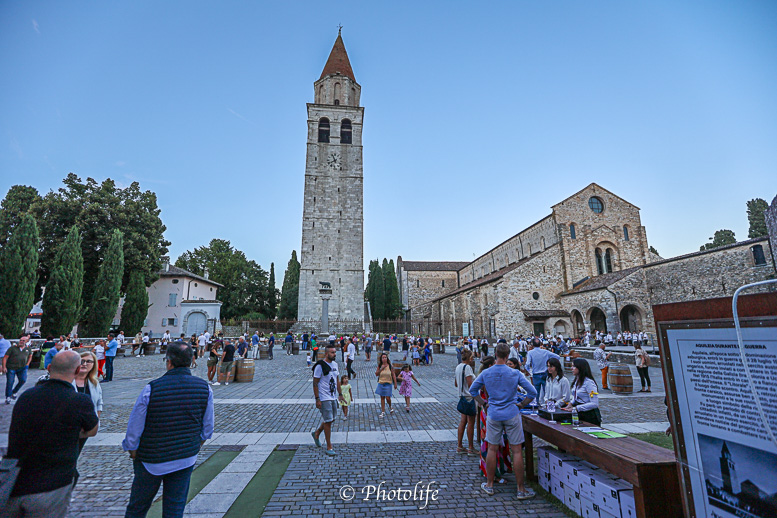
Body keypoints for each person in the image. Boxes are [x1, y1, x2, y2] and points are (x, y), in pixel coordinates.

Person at [123, 342, 214, 518]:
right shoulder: (205, 388)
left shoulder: (152, 388)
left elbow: (135, 426)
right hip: (185, 458)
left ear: (168, 362)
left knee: (138, 507)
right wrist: (195, 444)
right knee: (174, 508)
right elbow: (208, 427)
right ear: (191, 360)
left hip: (151, 458)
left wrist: (132, 449)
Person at [5, 351, 98, 517]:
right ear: (77, 371)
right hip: (53, 484)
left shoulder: (27, 396)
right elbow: (92, 430)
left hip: (16, 481)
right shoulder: (79, 401)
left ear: (48, 367)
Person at [470, 343, 537, 499]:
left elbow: (473, 390)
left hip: (493, 413)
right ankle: (521, 489)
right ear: (507, 356)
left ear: (495, 354)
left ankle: (490, 485)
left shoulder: (487, 373)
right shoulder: (515, 373)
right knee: (517, 451)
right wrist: (521, 404)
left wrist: (484, 403)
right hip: (512, 412)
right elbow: (532, 392)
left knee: (492, 449)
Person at [476, 356, 512, 485]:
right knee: (492, 443)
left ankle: (487, 469)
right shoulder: (488, 378)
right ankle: (494, 474)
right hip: (490, 412)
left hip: (485, 412)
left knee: (488, 442)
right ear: (491, 365)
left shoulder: (483, 375)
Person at [311, 344, 343, 456]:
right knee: (328, 421)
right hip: (324, 397)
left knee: (331, 419)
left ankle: (317, 432)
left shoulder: (335, 364)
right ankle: (329, 446)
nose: (334, 354)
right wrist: (317, 399)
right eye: (332, 352)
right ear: (326, 353)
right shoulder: (320, 366)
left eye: (335, 352)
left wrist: (340, 394)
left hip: (333, 396)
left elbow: (337, 380)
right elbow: (315, 383)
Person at [75, 351, 103, 451]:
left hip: (85, 429)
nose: (85, 364)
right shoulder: (69, 380)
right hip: (70, 427)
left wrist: (95, 421)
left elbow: (99, 402)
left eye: (89, 361)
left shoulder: (94, 383)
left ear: (93, 365)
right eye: (82, 361)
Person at [563, 358, 601, 426]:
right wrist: (571, 403)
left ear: (580, 368)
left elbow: (594, 403)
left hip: (589, 415)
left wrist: (577, 408)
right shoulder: (577, 380)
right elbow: (576, 396)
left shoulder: (589, 383)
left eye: (574, 366)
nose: (571, 368)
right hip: (579, 413)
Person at [455, 349, 477, 455]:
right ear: (470, 358)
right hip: (469, 397)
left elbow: (456, 383)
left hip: (461, 396)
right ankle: (470, 447)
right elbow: (470, 384)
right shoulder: (467, 368)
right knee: (471, 423)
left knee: (463, 421)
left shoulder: (458, 366)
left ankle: (459, 446)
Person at [4, 335, 33, 404]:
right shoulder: (12, 348)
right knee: (10, 382)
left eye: (23, 340)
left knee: (23, 380)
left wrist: (27, 364)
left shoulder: (28, 349)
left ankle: (14, 391)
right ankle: (8, 396)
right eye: (20, 340)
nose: (21, 342)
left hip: (22, 368)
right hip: (11, 367)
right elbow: (5, 357)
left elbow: (30, 356)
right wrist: (4, 366)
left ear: (26, 342)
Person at [375, 353, 397, 417]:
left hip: (388, 383)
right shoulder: (380, 366)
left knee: (388, 398)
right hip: (381, 383)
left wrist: (395, 383)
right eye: (383, 358)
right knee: (382, 397)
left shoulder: (390, 366)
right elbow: (376, 374)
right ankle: (383, 411)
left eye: (385, 357)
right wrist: (381, 369)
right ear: (381, 359)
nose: (384, 359)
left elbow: (393, 375)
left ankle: (390, 406)